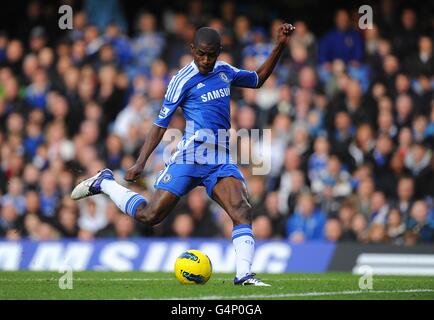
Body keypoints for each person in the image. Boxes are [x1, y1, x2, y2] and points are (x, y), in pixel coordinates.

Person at [71, 23, 295, 286]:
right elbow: (160, 123)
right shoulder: (181, 80)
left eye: (211, 54)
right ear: (192, 49)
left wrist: (279, 45)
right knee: (150, 216)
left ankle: (244, 275)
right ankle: (105, 182)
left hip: (219, 157)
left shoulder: (224, 71)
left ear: (219, 52)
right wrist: (141, 162)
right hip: (191, 156)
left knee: (242, 209)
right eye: (201, 53)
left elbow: (257, 79)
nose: (206, 60)